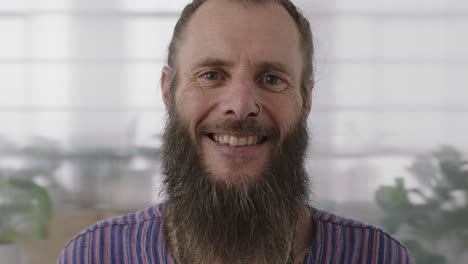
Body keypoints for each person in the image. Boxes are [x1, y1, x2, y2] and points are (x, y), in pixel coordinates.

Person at [58, 0, 415, 263]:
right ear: (168, 91)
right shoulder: (94, 255)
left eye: (272, 79)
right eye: (211, 74)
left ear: (306, 100)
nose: (241, 104)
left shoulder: (380, 257)